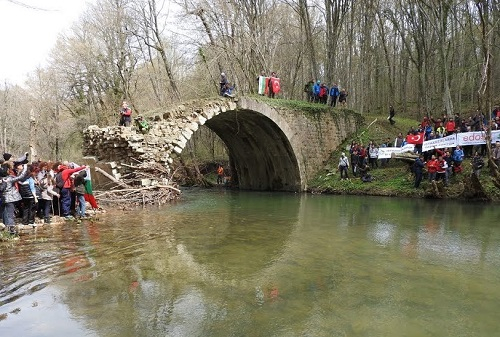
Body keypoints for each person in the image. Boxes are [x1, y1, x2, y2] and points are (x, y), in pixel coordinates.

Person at [0, 163, 28, 234]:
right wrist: (25, 167)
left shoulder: (1, 180)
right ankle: (11, 231)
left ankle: (6, 230)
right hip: (10, 199)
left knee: (4, 215)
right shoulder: (9, 179)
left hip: (3, 199)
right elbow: (21, 177)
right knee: (9, 215)